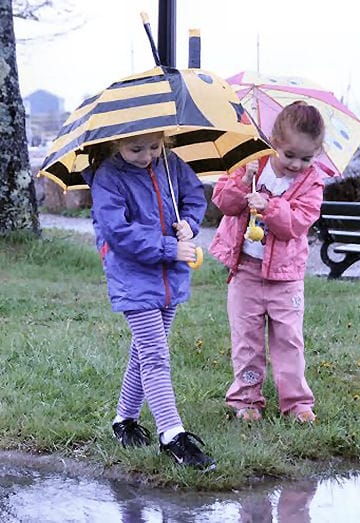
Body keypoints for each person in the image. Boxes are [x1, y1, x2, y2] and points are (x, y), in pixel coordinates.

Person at [84, 131, 215, 470]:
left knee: (143, 351)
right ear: (116, 143)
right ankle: (173, 436)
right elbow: (118, 233)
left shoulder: (170, 164)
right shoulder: (108, 178)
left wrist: (189, 223)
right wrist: (171, 248)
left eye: (154, 147)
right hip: (133, 276)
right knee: (155, 354)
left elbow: (193, 196)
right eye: (135, 148)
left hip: (169, 277)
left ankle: (123, 420)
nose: (146, 156)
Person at [209, 101, 326, 423]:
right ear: (274, 142)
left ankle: (297, 402)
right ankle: (246, 398)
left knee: (288, 339)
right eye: (289, 155)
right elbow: (225, 203)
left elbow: (297, 224)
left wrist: (270, 206)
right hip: (245, 271)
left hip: (285, 278)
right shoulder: (249, 163)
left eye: (306, 158)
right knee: (246, 338)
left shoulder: (312, 183)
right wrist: (242, 182)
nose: (296, 164)